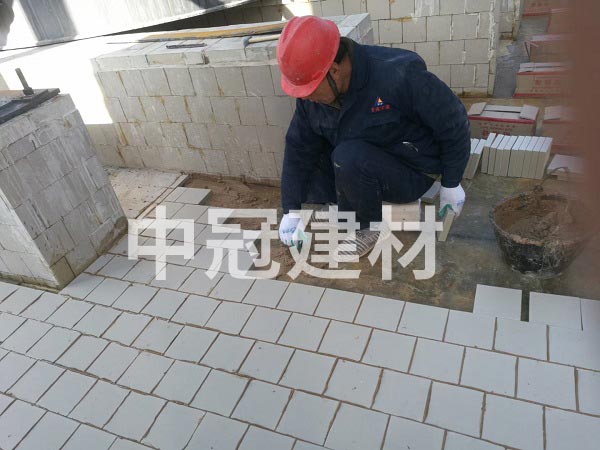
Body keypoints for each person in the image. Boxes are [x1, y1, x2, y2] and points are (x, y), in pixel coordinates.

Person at [277, 16, 471, 256]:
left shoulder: (398, 74)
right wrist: (291, 210)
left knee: (347, 156)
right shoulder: (313, 98)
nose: (307, 97)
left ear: (334, 71)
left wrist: (452, 182)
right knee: (319, 150)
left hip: (412, 170)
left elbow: (453, 121)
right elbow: (298, 148)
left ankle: (368, 228)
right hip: (365, 159)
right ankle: (345, 208)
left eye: (311, 90)